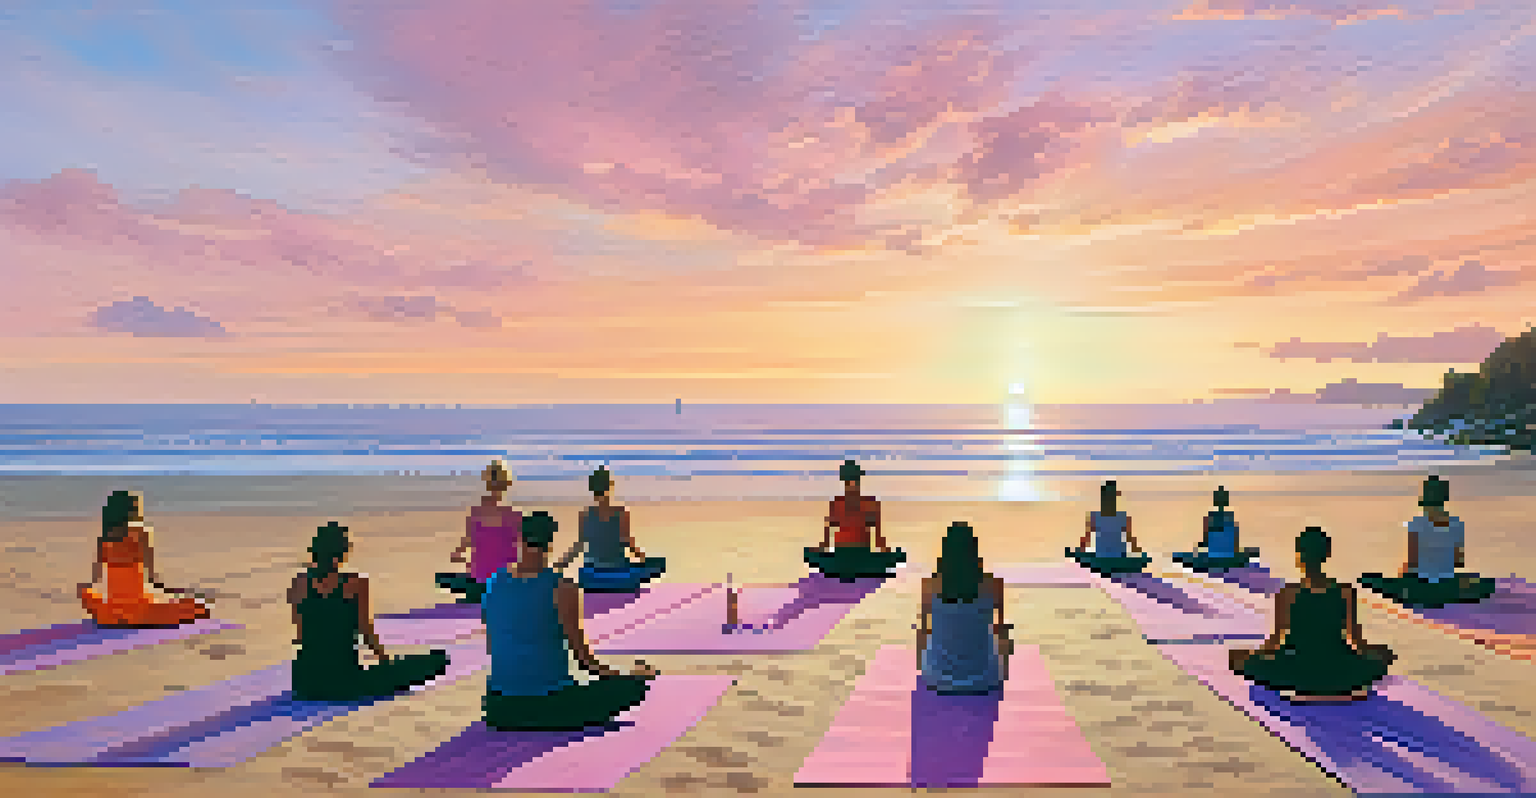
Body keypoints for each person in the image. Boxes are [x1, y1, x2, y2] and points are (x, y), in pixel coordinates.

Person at [483, 511, 657, 730]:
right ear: (550, 544)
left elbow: (492, 646)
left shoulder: (494, 582)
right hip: (550, 704)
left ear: (520, 539)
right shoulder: (562, 587)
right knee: (634, 688)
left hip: (498, 706)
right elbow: (585, 661)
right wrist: (626, 677)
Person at [286, 522, 450, 701]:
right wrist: (387, 664)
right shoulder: (356, 584)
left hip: (306, 681)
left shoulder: (299, 583)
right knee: (431, 662)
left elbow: (300, 634)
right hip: (343, 681)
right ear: (343, 553)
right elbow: (366, 632)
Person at [1229, 526, 1395, 702]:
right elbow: (1357, 642)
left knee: (1239, 659)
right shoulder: (1345, 592)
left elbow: (1275, 642)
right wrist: (1379, 653)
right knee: (1382, 658)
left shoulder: (1288, 593)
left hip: (1298, 671)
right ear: (1326, 555)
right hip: (1337, 671)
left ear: (1299, 556)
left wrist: (1253, 655)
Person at [79, 490, 212, 627]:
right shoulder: (142, 532)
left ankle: (122, 613)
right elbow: (151, 576)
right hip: (140, 611)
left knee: (87, 593)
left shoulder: (104, 539)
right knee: (198, 606)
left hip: (114, 611)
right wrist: (165, 592)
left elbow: (96, 578)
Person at [1359, 476, 1495, 608]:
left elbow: (1412, 561)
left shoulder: (1417, 524)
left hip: (1422, 584)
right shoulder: (1456, 524)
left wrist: (1404, 575)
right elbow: (1458, 561)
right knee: (1477, 583)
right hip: (1447, 582)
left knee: (1381, 582)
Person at [917, 522, 1012, 694]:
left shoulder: (930, 585)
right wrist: (1003, 668)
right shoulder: (993, 584)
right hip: (985, 678)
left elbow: (923, 630)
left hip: (938, 678)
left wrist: (922, 667)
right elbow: (1001, 631)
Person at [551, 467, 666, 592]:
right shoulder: (620, 513)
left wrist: (562, 563)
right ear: (610, 487)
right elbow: (627, 543)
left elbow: (579, 545)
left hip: (592, 573)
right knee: (658, 564)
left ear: (592, 489)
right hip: (619, 570)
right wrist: (645, 561)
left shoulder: (585, 515)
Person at [804, 460, 908, 582]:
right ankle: (863, 569)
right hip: (848, 555)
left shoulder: (857, 504)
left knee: (814, 556)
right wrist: (888, 555)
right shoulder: (858, 503)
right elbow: (828, 535)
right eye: (850, 481)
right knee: (894, 557)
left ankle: (846, 569)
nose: (852, 485)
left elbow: (827, 537)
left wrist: (887, 553)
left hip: (853, 555)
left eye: (853, 481)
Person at [435, 460, 521, 604]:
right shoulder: (515, 516)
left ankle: (472, 599)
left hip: (479, 582)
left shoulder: (477, 514)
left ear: (487, 483)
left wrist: (463, 556)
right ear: (508, 484)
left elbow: (461, 549)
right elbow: (522, 552)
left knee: (442, 579)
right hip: (505, 584)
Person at [1067, 480, 1150, 575]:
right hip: (1118, 558)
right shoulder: (1122, 517)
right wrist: (1139, 555)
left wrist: (1079, 553)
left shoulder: (1095, 517)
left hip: (1101, 558)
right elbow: (1130, 540)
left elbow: (1086, 540)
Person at [1172, 486, 1258, 572]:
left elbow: (1206, 542)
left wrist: (1200, 546)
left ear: (1215, 500)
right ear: (1226, 500)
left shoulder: (1211, 519)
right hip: (1228, 557)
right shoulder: (1229, 519)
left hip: (1215, 557)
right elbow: (1234, 542)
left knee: (1184, 556)